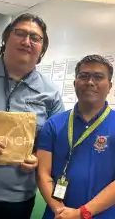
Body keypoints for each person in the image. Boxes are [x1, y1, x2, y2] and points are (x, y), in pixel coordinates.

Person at [0, 14, 63, 219]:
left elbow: (56, 143)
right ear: (6, 38)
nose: (27, 41)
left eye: (35, 38)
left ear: (42, 49)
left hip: (16, 201)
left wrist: (37, 157)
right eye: (20, 33)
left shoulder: (50, 93)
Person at [36, 54, 115, 219]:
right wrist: (60, 211)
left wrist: (81, 213)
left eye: (98, 77)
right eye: (83, 76)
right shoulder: (53, 124)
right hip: (57, 215)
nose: (90, 82)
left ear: (109, 86)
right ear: (75, 83)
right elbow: (43, 172)